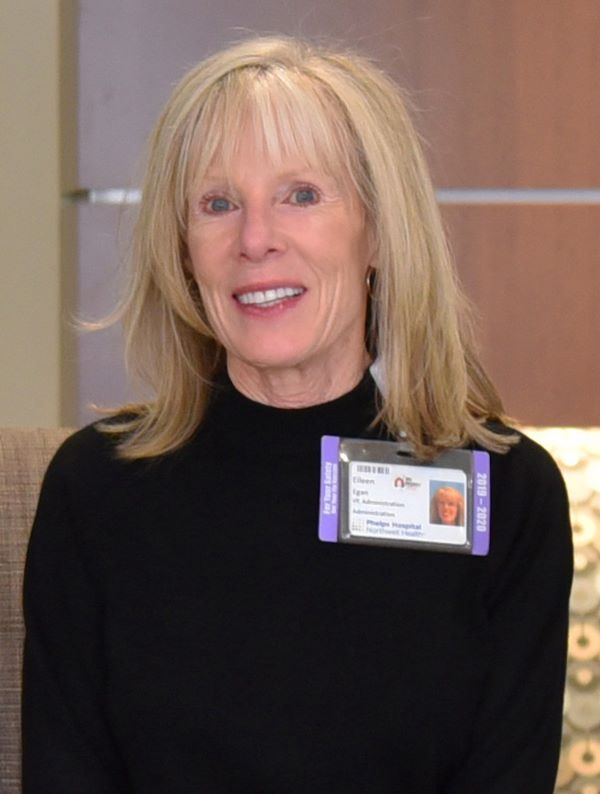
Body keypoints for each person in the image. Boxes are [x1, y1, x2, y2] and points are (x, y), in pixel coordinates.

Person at [22, 36, 572, 793]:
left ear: (378, 231)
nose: (255, 240)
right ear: (183, 251)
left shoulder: (507, 495)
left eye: (302, 195)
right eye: (218, 204)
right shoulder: (96, 490)